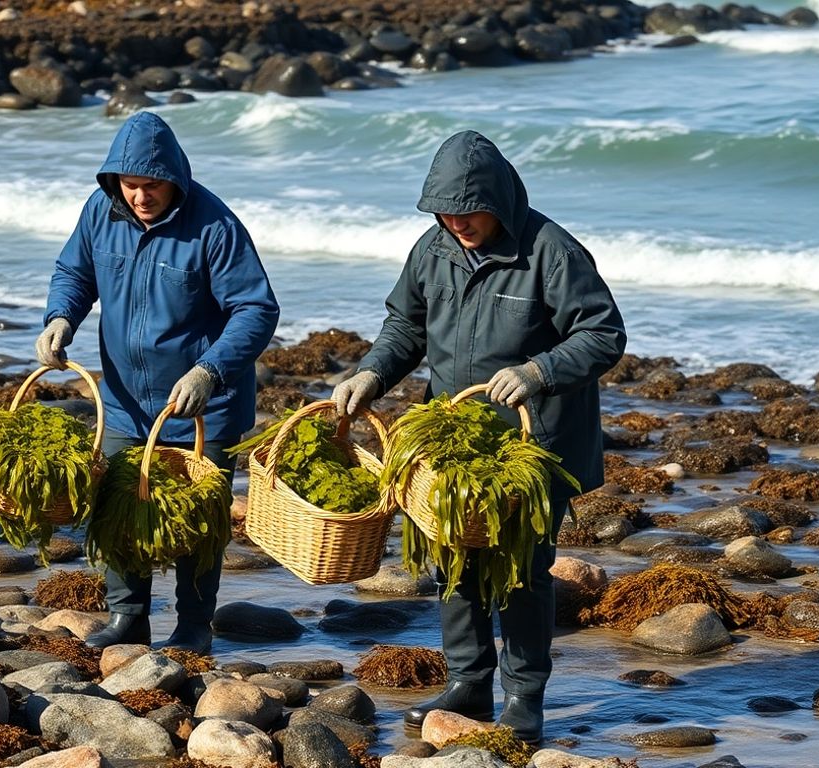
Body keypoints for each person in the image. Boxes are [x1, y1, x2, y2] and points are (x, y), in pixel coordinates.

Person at [332, 130, 626, 743]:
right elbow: (405, 327)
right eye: (447, 212)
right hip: (451, 440)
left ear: (500, 200)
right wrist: (372, 372)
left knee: (521, 570)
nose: (458, 223)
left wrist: (539, 371)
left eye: (470, 211)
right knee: (453, 560)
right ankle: (469, 681)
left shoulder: (551, 250)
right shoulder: (431, 248)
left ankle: (524, 696)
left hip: (533, 444)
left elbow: (603, 335)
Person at [36, 111, 279, 655]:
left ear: (175, 179)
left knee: (199, 517)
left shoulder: (214, 226)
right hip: (125, 402)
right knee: (119, 507)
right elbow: (74, 273)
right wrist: (60, 318)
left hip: (204, 408)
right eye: (131, 185)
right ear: (114, 181)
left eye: (152, 186)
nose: (141, 197)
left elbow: (256, 310)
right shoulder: (100, 212)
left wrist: (210, 371)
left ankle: (194, 624)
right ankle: (128, 617)